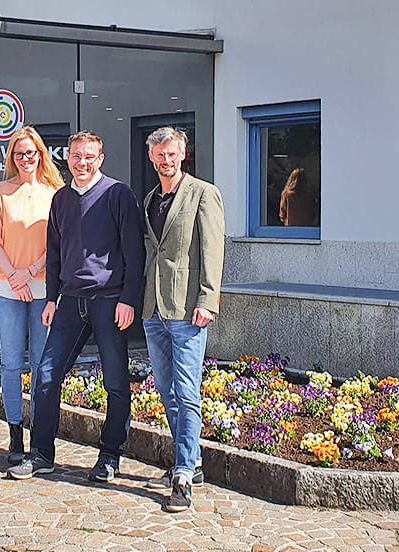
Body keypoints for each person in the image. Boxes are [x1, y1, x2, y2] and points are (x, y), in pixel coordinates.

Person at [8, 131, 145, 482]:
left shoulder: (118, 195)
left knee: (115, 382)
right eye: (76, 156)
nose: (81, 163)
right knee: (47, 376)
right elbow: (54, 252)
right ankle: (41, 454)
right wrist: (51, 298)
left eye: (89, 157)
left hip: (110, 301)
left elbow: (134, 253)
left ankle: (110, 456)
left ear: (100, 159)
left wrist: (129, 299)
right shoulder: (62, 199)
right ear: (67, 158)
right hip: (69, 302)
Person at [140, 127, 225, 512]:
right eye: (159, 154)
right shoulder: (150, 200)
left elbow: (213, 249)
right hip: (154, 310)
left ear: (183, 153)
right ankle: (190, 460)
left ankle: (184, 476)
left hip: (188, 308)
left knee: (188, 391)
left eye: (171, 153)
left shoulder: (203, 194)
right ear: (151, 158)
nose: (166, 160)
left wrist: (208, 299)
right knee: (166, 389)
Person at [0, 126, 64, 465]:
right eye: (19, 154)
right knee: (10, 364)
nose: (26, 158)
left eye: (31, 153)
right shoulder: (1, 191)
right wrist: (15, 276)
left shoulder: (56, 193)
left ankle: (40, 437)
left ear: (41, 155)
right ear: (12, 158)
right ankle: (15, 436)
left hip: (44, 288)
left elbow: (61, 243)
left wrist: (30, 273)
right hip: (6, 288)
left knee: (42, 365)